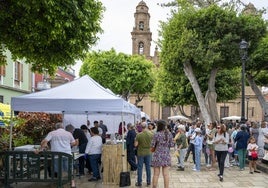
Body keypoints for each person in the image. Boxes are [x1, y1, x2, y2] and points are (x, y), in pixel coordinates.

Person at [39, 122, 77, 188]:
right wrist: (67, 145)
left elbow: (44, 142)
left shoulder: (52, 133)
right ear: (62, 127)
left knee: (59, 170)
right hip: (67, 154)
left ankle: (60, 183)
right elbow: (74, 143)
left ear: (55, 128)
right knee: (69, 169)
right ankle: (72, 183)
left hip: (56, 155)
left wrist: (43, 148)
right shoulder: (68, 133)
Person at [151, 120, 174, 188]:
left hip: (157, 155)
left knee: (156, 174)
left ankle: (154, 187)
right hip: (166, 155)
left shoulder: (156, 134)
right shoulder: (169, 134)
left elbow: (152, 145)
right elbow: (172, 144)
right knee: (166, 174)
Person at [134, 122, 153, 187]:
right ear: (147, 126)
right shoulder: (151, 134)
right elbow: (153, 144)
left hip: (141, 152)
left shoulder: (139, 135)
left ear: (141, 127)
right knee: (148, 168)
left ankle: (139, 182)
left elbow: (135, 145)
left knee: (140, 168)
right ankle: (148, 182)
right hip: (148, 152)